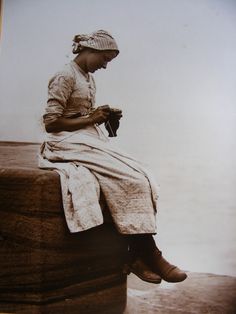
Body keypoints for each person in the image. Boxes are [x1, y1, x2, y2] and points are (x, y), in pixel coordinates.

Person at [39, 29, 187, 284]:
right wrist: (91, 118)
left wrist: (101, 116)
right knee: (131, 180)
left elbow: (79, 114)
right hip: (63, 142)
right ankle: (149, 254)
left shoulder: (87, 76)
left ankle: (138, 254)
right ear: (90, 51)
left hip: (84, 138)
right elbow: (51, 123)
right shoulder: (64, 75)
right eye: (104, 59)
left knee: (142, 175)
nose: (105, 66)